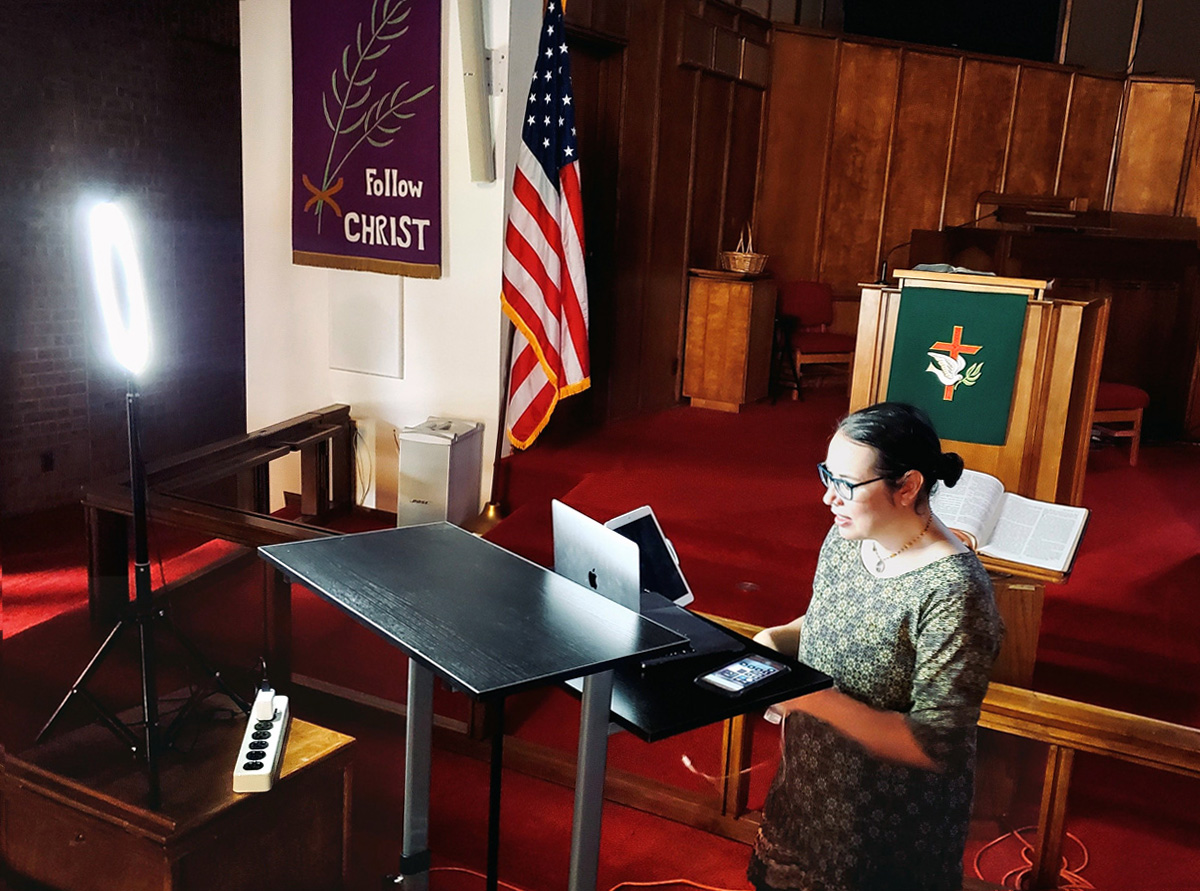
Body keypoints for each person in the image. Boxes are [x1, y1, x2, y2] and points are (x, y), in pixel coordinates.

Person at [749, 402, 1003, 891]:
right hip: (808, 791)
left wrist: (809, 700)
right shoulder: (847, 536)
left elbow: (934, 746)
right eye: (826, 475)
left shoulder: (954, 591)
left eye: (844, 484)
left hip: (884, 826)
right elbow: (838, 620)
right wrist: (776, 638)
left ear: (906, 487)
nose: (828, 498)